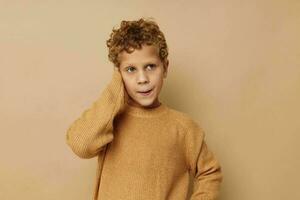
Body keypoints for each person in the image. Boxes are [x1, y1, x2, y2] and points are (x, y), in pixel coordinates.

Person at [66, 17, 223, 200]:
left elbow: (210, 172)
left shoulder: (184, 128)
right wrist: (115, 89)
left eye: (150, 67)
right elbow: (81, 145)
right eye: (131, 69)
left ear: (165, 68)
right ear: (118, 74)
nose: (142, 79)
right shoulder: (109, 121)